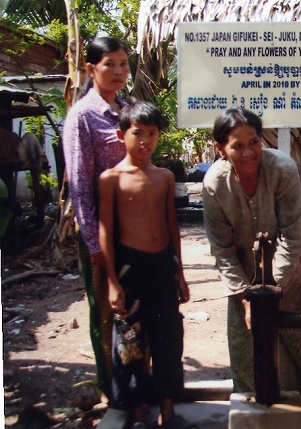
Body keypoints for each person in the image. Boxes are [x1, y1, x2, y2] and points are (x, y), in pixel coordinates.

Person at [201, 107, 301, 412]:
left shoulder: (282, 169)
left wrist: (271, 291)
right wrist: (249, 299)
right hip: (243, 280)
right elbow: (222, 250)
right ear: (220, 148)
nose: (249, 152)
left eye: (254, 142)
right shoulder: (214, 185)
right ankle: (264, 417)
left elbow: (292, 235)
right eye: (237, 145)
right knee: (251, 353)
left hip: (293, 271)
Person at [98, 101, 191, 428]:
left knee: (168, 338)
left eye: (152, 133)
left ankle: (168, 411)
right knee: (131, 341)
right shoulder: (111, 178)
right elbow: (106, 229)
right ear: (121, 135)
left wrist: (180, 273)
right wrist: (113, 281)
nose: (145, 140)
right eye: (138, 133)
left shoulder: (164, 177)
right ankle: (137, 413)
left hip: (163, 266)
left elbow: (171, 224)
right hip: (131, 269)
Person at [62, 36, 130, 399]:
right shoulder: (82, 116)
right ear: (91, 69)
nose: (118, 71)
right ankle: (111, 390)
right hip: (101, 231)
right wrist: (92, 243)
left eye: (123, 64)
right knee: (104, 312)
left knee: (135, 308)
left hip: (135, 229)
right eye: (110, 65)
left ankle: (137, 382)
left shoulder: (128, 110)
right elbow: (80, 185)